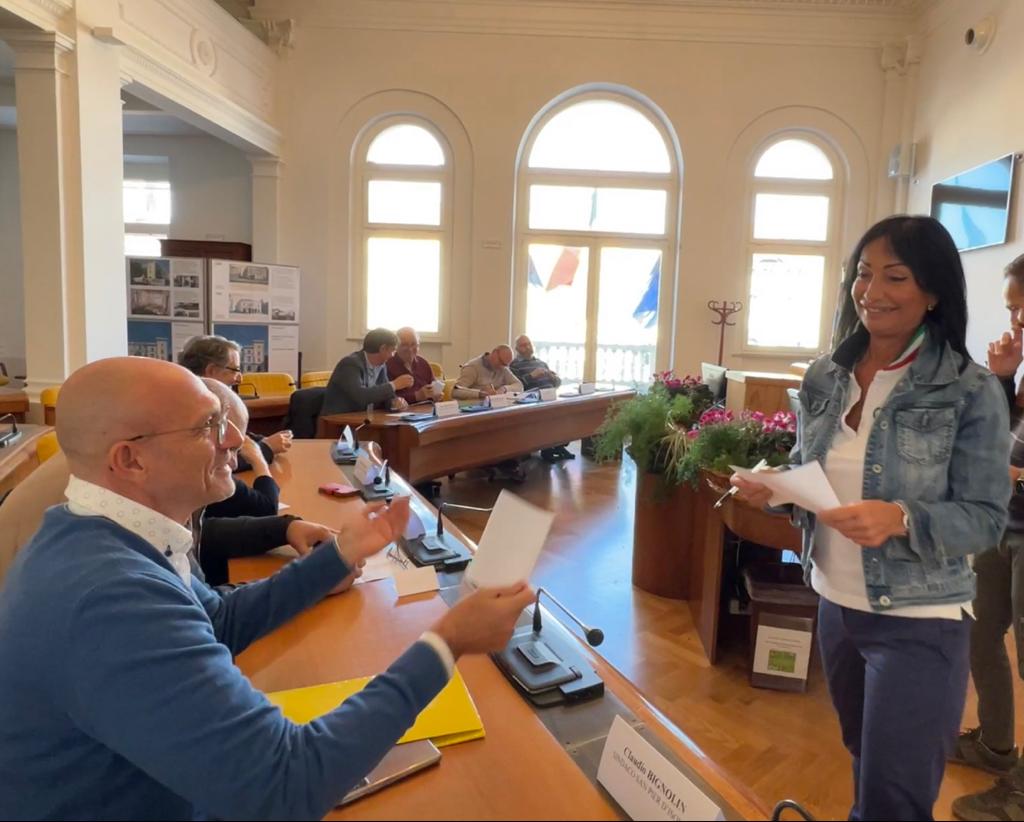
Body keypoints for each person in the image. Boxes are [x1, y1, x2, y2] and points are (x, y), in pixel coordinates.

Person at [0, 357, 535, 819]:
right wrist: (447, 642)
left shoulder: (101, 532)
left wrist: (341, 555)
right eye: (208, 425)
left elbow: (218, 621)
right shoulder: (109, 599)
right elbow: (285, 788)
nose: (234, 439)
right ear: (129, 459)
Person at [730, 215, 1010, 821]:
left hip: (919, 619)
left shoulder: (970, 389)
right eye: (863, 274)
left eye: (895, 276)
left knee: (893, 800)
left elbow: (986, 518)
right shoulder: (826, 374)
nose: (872, 291)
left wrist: (902, 517)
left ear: (932, 292)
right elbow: (814, 472)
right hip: (835, 603)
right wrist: (775, 490)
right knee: (867, 763)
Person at [950, 253, 1024, 822]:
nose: (1015, 320)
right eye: (1011, 309)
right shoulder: (1019, 362)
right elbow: (997, 435)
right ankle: (997, 747)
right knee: (980, 630)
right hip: (1004, 523)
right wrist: (1001, 377)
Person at [179, 334, 293, 467]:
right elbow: (214, 463)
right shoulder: (189, 410)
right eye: (235, 370)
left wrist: (260, 440)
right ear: (211, 370)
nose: (240, 379)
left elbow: (236, 435)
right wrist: (266, 448)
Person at [321, 328, 414, 416]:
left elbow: (386, 397)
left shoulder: (382, 365)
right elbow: (361, 396)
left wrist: (395, 402)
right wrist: (394, 385)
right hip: (338, 422)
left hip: (365, 419)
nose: (393, 355)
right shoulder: (350, 364)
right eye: (393, 350)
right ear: (383, 348)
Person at [511, 334, 573, 463]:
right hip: (533, 399)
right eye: (523, 345)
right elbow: (517, 387)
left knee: (568, 413)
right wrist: (532, 375)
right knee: (547, 416)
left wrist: (552, 377)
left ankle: (559, 445)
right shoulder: (514, 366)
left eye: (528, 344)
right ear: (517, 349)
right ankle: (547, 449)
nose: (527, 347)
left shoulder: (541, 363)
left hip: (550, 396)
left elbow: (557, 383)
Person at [387, 326, 441, 404]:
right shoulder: (387, 365)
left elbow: (433, 387)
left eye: (414, 344)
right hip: (401, 412)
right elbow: (386, 399)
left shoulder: (423, 363)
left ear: (418, 346)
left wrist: (436, 395)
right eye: (404, 345)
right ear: (396, 346)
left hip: (427, 410)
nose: (410, 349)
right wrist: (416, 396)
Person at [453, 345, 524, 399]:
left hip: (493, 408)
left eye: (505, 365)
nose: (501, 367)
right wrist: (480, 393)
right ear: (494, 353)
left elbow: (519, 386)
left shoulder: (503, 368)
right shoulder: (473, 367)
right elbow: (455, 391)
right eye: (500, 362)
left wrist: (504, 389)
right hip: (474, 409)